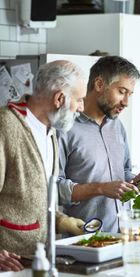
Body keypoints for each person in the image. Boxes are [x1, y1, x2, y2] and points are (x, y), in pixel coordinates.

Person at [0, 60, 88, 271]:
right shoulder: (6, 125)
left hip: (37, 260)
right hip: (8, 265)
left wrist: (61, 221)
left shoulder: (51, 132)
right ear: (59, 98)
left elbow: (30, 200)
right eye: (79, 100)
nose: (82, 108)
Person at [57, 56, 140, 234]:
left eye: (129, 94)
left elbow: (123, 173)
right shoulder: (64, 128)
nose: (126, 102)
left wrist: (139, 181)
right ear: (99, 84)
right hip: (81, 240)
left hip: (123, 237)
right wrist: (101, 188)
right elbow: (54, 188)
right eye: (121, 91)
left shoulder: (117, 126)